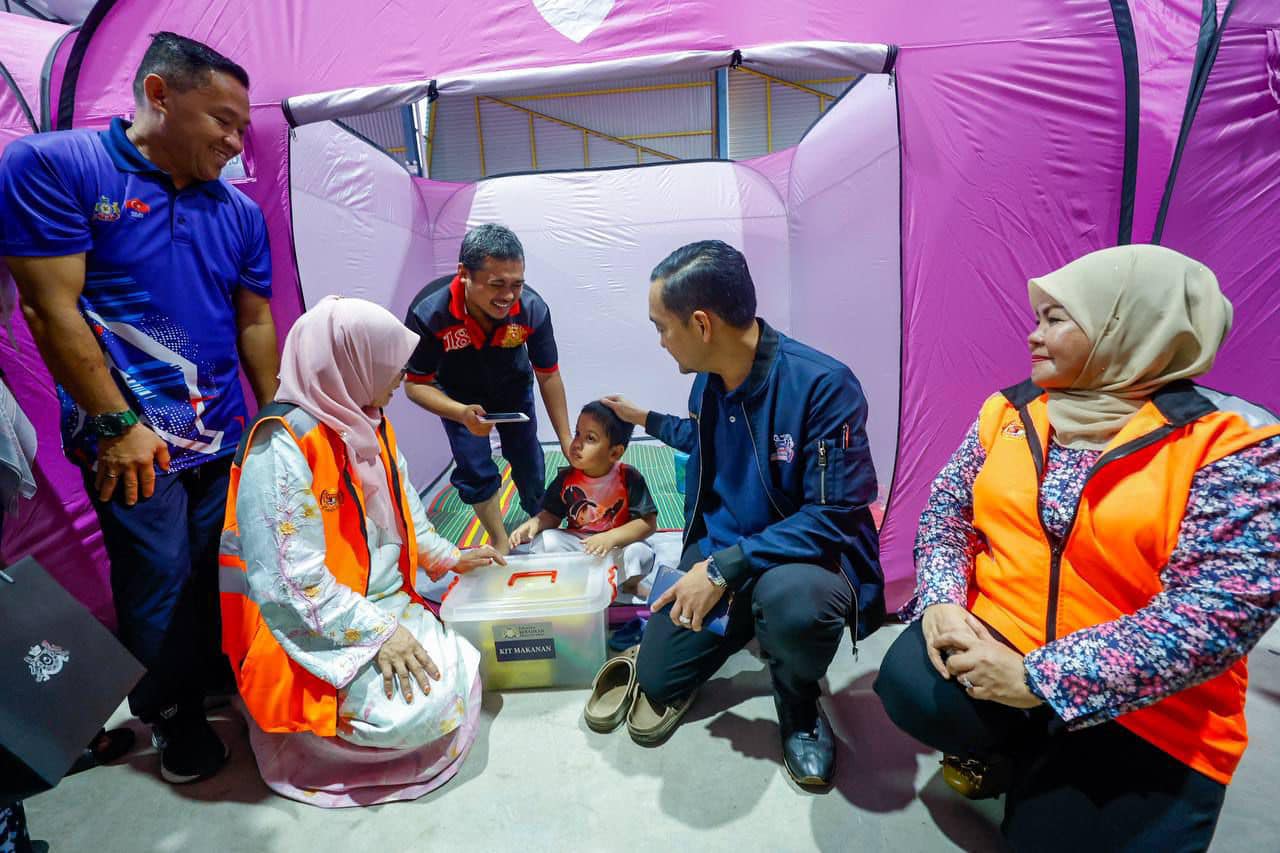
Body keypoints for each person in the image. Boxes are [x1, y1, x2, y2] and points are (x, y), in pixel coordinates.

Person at [873, 245, 1280, 851]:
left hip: (1146, 707)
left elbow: (1214, 618)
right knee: (911, 682)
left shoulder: (1233, 447)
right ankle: (1015, 752)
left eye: (1056, 320)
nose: (1033, 336)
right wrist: (939, 599)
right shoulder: (1010, 412)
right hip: (1002, 637)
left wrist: (1040, 678)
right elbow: (947, 515)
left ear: (1126, 327)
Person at [0, 32, 279, 784]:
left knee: (221, 568)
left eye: (240, 126)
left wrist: (277, 417)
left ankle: (214, 677)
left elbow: (253, 319)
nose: (233, 139)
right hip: (133, 441)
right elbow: (46, 305)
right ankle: (172, 715)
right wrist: (118, 426)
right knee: (156, 578)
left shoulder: (237, 213)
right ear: (159, 94)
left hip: (222, 434)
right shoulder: (57, 167)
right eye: (221, 119)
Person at [603, 240, 884, 786]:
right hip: (722, 555)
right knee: (659, 678)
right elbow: (704, 443)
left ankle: (799, 705)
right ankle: (740, 625)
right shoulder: (707, 383)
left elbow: (832, 516)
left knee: (795, 608)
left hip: (797, 563)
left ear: (702, 325)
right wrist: (642, 418)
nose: (660, 341)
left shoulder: (823, 386)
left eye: (663, 326)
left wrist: (723, 569)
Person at [220, 296, 503, 807]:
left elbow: (403, 509)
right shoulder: (280, 444)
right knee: (417, 711)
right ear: (351, 361)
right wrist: (378, 634)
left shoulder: (366, 420)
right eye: (392, 366)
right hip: (308, 625)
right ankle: (298, 732)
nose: (402, 378)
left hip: (377, 602)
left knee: (458, 667)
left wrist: (449, 557)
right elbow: (287, 582)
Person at [403, 224, 572, 555]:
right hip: (457, 398)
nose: (508, 296)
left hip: (513, 389)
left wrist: (566, 439)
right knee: (474, 466)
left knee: (528, 458)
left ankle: (540, 521)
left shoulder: (532, 310)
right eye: (497, 284)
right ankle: (498, 539)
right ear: (464, 274)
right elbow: (415, 385)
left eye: (516, 284)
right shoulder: (429, 313)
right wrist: (459, 412)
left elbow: (548, 375)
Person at [509, 400, 659, 598]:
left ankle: (629, 586)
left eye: (590, 438)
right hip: (579, 547)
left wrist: (610, 538)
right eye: (577, 433)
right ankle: (575, 581)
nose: (577, 443)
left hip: (616, 547)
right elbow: (552, 516)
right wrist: (534, 523)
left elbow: (648, 524)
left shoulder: (629, 477)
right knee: (545, 540)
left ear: (614, 452)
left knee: (640, 553)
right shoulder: (566, 478)